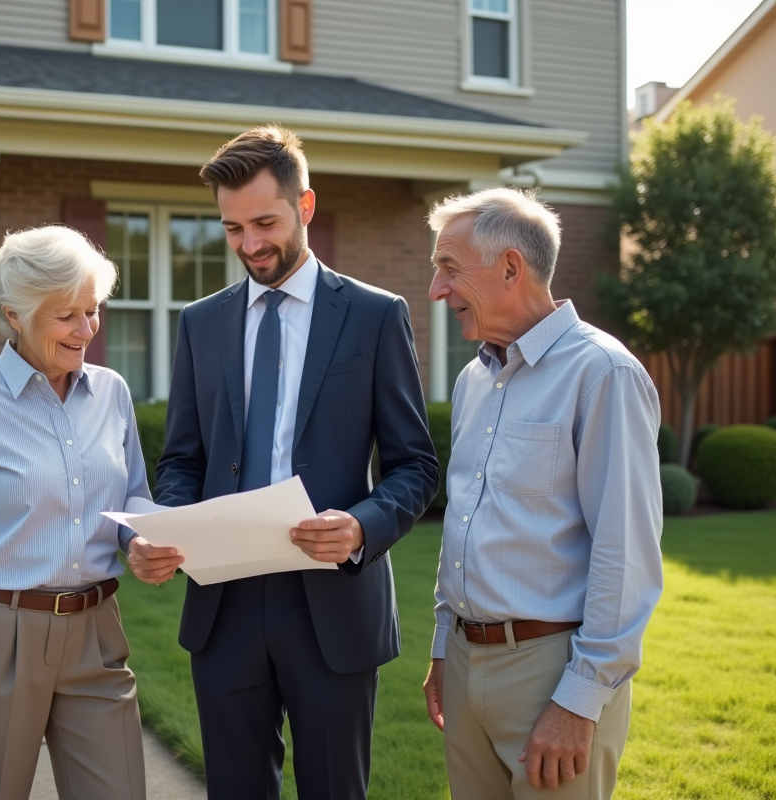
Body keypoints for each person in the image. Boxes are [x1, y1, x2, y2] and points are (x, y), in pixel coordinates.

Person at [128, 125, 439, 800]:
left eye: (264, 222)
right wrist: (167, 527)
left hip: (332, 605)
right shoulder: (201, 323)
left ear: (306, 206)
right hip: (225, 609)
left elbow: (415, 465)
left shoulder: (374, 316)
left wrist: (360, 527)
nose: (249, 245)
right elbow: (182, 457)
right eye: (232, 229)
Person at [422, 188, 663, 799]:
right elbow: (466, 523)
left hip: (550, 674)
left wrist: (579, 702)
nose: (436, 290)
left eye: (449, 268)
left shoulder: (603, 373)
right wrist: (443, 645)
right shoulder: (475, 378)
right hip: (464, 660)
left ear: (510, 267)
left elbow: (626, 554)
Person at [0, 225, 150, 800]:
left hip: (96, 631)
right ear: (15, 314)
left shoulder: (112, 393)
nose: (87, 329)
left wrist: (140, 539)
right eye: (67, 314)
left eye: (93, 311)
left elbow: (133, 497)